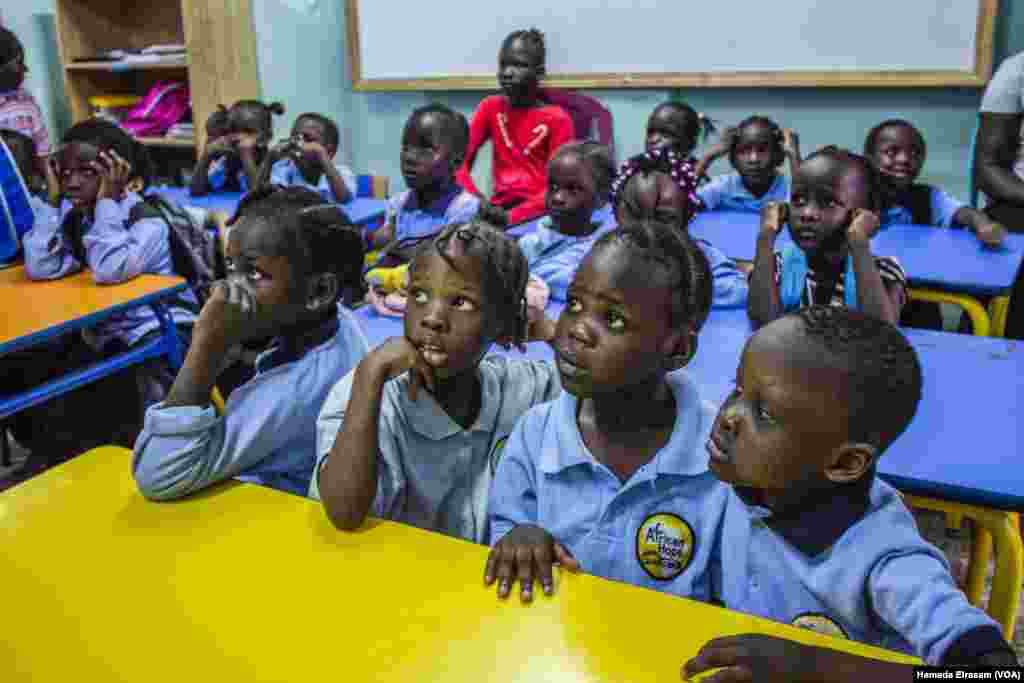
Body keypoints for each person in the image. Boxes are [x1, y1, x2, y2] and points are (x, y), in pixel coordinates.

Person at [683, 306, 1016, 681]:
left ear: (844, 463)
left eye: (765, 413)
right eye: (738, 391)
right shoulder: (732, 489)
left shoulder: (886, 559)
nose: (729, 416)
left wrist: (812, 667)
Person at [486, 220, 727, 603]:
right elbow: (505, 532)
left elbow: (734, 595)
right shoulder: (536, 434)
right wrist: (520, 537)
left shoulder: (719, 458)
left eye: (612, 319)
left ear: (678, 349)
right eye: (574, 304)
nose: (577, 330)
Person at [312, 220, 562, 544]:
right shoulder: (364, 395)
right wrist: (369, 376)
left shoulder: (517, 387)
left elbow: (612, 389)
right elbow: (343, 512)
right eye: (419, 294)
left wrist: (545, 328)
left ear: (501, 323)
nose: (431, 317)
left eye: (460, 302)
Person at [132, 186, 369, 500]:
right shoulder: (334, 321)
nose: (229, 287)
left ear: (319, 292)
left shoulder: (292, 391)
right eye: (231, 267)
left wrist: (206, 346)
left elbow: (157, 473)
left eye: (254, 273)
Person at [10, 119, 196, 475]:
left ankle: (154, 454)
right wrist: (52, 202)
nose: (73, 182)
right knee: (42, 364)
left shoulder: (145, 217)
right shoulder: (75, 216)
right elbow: (41, 266)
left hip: (163, 325)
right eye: (64, 174)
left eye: (87, 172)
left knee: (131, 376)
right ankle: (65, 455)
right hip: (109, 329)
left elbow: (110, 269)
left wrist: (108, 201)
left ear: (117, 173)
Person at [747, 146, 906, 327]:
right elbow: (762, 324)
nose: (807, 213)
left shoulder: (884, 271)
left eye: (829, 202)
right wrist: (765, 238)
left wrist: (859, 243)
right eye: (798, 200)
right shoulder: (775, 265)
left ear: (864, 215)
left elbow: (883, 332)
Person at [456, 28, 574, 226]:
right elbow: (458, 162)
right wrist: (476, 201)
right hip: (497, 209)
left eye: (519, 65)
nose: (508, 73)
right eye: (503, 65)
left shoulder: (558, 119)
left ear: (540, 73)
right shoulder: (490, 108)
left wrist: (512, 217)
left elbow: (560, 186)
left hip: (540, 214)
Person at [611, 147, 748, 309]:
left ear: (687, 217)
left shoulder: (705, 270)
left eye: (663, 218)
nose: (646, 228)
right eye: (635, 214)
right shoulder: (600, 258)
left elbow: (743, 294)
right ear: (615, 208)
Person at [865, 119, 1004, 244]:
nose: (904, 159)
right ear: (869, 157)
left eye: (914, 154)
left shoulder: (927, 197)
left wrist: (983, 224)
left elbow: (964, 213)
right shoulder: (859, 195)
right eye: (891, 152)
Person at [518, 141, 617, 303]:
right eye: (553, 186)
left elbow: (583, 287)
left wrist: (526, 277)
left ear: (602, 197)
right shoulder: (527, 245)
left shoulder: (603, 252)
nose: (557, 198)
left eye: (573, 189)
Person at [697, 116, 799, 212]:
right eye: (744, 151)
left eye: (762, 150)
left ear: (778, 156)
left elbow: (804, 204)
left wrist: (793, 156)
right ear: (733, 159)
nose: (753, 159)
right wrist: (709, 156)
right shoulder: (723, 186)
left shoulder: (788, 189)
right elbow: (684, 205)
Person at [190, 100, 285, 197]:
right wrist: (206, 156)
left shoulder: (275, 165)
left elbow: (259, 196)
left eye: (248, 132)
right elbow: (196, 191)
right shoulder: (223, 163)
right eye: (232, 130)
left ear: (265, 138)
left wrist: (246, 158)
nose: (237, 137)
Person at [263, 112, 355, 203]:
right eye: (294, 137)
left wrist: (321, 154)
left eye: (308, 139)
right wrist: (269, 158)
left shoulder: (342, 173)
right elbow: (260, 198)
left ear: (329, 152)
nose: (297, 144)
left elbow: (344, 200)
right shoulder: (284, 169)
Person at [0, 27, 50, 164]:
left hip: (30, 181)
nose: (26, 69)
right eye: (19, 63)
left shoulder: (26, 101)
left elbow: (43, 155)